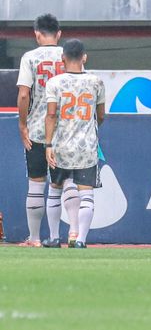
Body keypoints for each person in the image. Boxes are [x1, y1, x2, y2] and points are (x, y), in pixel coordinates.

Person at [16, 14, 79, 247]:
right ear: (59, 34)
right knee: (67, 182)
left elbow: (24, 94)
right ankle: (72, 234)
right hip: (65, 130)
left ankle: (34, 238)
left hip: (37, 129)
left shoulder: (30, 58)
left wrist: (23, 124)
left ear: (36, 34)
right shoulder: (69, 56)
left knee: (36, 182)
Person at [44, 39, 105, 248]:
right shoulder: (96, 81)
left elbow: (51, 115)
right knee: (86, 192)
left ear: (62, 59)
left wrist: (48, 144)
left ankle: (53, 238)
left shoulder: (54, 83)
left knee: (54, 189)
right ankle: (80, 240)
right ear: (84, 57)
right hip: (86, 146)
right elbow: (101, 116)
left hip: (60, 145)